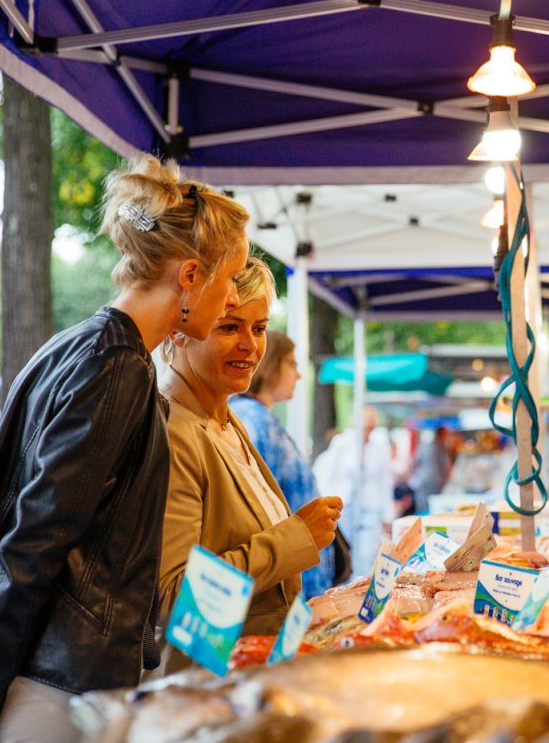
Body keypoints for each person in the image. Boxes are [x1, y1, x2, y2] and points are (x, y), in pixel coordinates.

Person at [0, 154, 251, 743]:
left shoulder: (67, 348)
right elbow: (31, 543)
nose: (233, 298)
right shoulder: (119, 370)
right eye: (230, 276)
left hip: (33, 677)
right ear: (189, 276)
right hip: (58, 686)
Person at [154, 258, 341, 675]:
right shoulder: (174, 430)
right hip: (212, 690)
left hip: (258, 674)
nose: (250, 345)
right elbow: (175, 598)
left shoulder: (225, 418)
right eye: (229, 327)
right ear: (181, 331)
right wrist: (295, 538)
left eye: (258, 329)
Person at [230, 331, 336, 600]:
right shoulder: (254, 422)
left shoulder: (260, 419)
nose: (298, 375)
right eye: (292, 364)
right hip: (284, 584)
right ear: (269, 365)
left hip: (291, 575)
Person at [313, 406, 394, 577]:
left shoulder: (380, 445)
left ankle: (360, 584)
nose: (370, 424)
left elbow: (385, 480)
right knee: (344, 549)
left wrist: (388, 514)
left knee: (366, 554)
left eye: (373, 420)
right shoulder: (342, 443)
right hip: (345, 505)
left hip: (371, 506)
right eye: (367, 419)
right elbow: (329, 474)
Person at [408, 425, 455, 514]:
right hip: (435, 482)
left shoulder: (425, 445)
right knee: (433, 507)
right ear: (441, 434)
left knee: (422, 506)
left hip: (422, 479)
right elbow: (447, 466)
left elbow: (415, 461)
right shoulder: (440, 446)